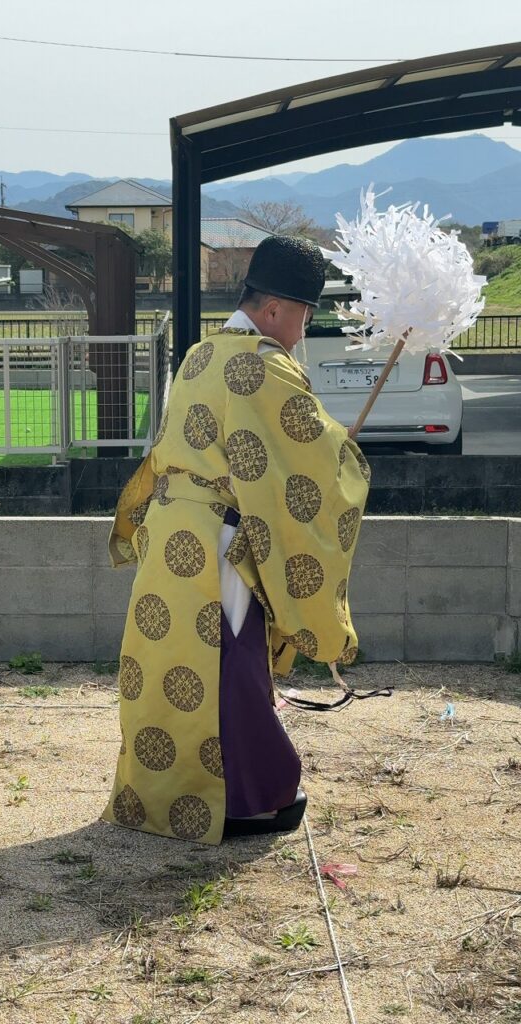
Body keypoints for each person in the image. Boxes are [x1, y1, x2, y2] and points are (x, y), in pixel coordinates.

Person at [102, 235, 371, 845]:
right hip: (216, 541)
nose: (303, 330)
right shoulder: (263, 364)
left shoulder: (201, 353)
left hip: (171, 532)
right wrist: (342, 462)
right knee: (227, 664)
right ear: (274, 309)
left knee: (174, 663)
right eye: (304, 315)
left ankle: (164, 792)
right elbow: (301, 466)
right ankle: (245, 800)